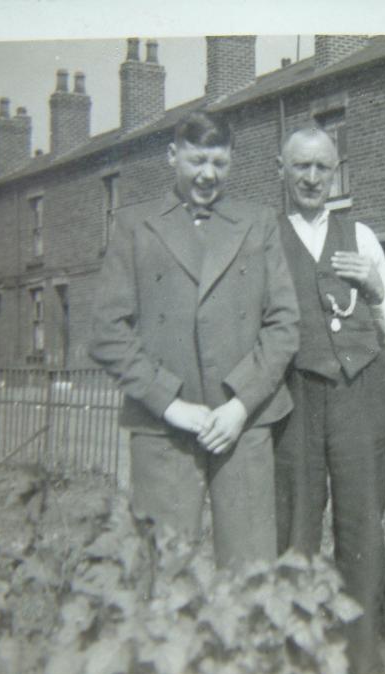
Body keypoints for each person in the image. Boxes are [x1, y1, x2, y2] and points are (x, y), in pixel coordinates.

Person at [89, 108, 299, 571]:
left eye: (220, 163)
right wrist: (170, 403)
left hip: (242, 425)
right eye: (197, 161)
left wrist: (240, 405)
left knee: (250, 574)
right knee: (162, 569)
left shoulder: (258, 222)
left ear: (233, 161)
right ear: (172, 156)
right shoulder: (134, 226)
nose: (208, 175)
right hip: (164, 428)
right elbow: (107, 331)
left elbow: (284, 323)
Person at [273, 127, 385, 674]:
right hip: (296, 392)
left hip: (359, 391)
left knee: (361, 527)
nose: (312, 177)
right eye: (302, 166)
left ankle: (363, 660)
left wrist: (373, 284)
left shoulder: (361, 234)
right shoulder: (265, 236)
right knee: (295, 524)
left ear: (336, 171)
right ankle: (297, 658)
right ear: (283, 169)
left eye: (322, 167)